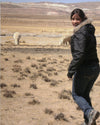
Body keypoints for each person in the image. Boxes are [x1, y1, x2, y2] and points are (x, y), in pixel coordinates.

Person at [67, 8, 100, 125]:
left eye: (77, 19)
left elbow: (79, 54)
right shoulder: (89, 30)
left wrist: (70, 71)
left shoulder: (80, 33)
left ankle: (90, 112)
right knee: (84, 94)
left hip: (84, 68)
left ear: (82, 19)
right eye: (73, 19)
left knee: (76, 94)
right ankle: (89, 121)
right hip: (95, 67)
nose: (75, 21)